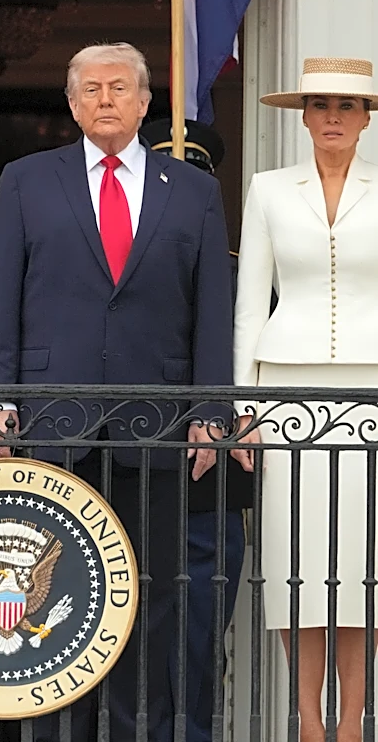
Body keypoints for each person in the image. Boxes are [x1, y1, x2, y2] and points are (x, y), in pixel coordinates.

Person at [0, 43, 234, 741]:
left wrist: (212, 410)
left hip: (154, 429)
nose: (105, 100)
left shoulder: (194, 191)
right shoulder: (27, 181)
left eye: (120, 87)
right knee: (53, 602)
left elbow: (211, 310)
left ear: (147, 102)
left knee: (144, 603)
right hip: (53, 424)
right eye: (90, 89)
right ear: (71, 103)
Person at [232, 57, 378, 742]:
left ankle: (352, 723)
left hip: (372, 391)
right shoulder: (267, 189)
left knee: (362, 563)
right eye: (319, 106)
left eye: (345, 108)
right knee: (298, 560)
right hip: (285, 390)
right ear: (302, 116)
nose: (331, 119)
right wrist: (242, 407)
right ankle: (307, 721)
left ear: (365, 118)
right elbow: (248, 303)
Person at [140, 117, 250, 742]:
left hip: (209, 494)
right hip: (130, 469)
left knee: (200, 646)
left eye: (195, 170)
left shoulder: (238, 266)